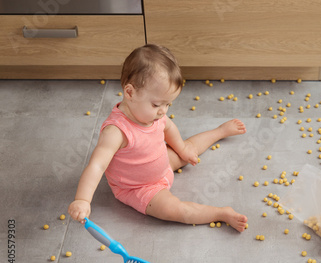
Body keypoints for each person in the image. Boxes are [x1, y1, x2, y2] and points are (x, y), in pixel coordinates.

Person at [68, 44, 248, 232]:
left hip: (162, 164)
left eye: (168, 104)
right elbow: (97, 165)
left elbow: (168, 127)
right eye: (156, 104)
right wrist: (82, 199)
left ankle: (219, 131)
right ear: (130, 93)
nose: (163, 111)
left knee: (188, 148)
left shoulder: (155, 114)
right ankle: (221, 213)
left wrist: (182, 149)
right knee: (176, 210)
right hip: (139, 188)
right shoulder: (116, 131)